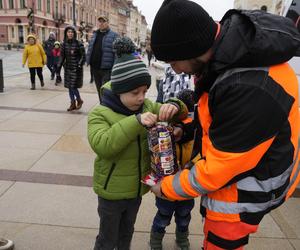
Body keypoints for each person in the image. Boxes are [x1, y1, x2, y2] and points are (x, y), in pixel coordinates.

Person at [150, 1, 300, 249]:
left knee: (221, 239)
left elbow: (220, 169)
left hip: (248, 189)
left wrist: (166, 188)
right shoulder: (229, 55)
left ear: (192, 50)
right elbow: (219, 118)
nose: (174, 70)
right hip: (245, 168)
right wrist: (186, 130)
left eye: (174, 62)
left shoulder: (247, 84)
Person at [87, 37, 188, 250]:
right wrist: (136, 122)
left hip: (135, 191)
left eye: (144, 91)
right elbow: (104, 145)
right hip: (111, 193)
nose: (142, 98)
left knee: (126, 234)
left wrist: (174, 106)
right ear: (119, 90)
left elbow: (171, 109)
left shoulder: (147, 105)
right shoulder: (100, 114)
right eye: (135, 93)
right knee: (107, 239)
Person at [150, 89, 195, 250]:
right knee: (163, 216)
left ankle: (182, 238)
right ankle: (155, 240)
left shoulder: (193, 134)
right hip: (166, 186)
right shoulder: (163, 134)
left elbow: (192, 128)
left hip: (186, 186)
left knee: (184, 217)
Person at [86, 15, 118, 100]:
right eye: (100, 21)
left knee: (105, 90)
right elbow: (90, 48)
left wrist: (114, 68)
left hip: (106, 69)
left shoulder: (114, 35)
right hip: (95, 67)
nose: (101, 23)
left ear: (108, 23)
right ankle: (102, 105)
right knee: (99, 89)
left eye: (103, 21)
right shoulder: (95, 34)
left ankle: (106, 106)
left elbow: (116, 54)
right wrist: (88, 60)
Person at [58, 26, 85, 111]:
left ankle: (79, 100)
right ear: (66, 33)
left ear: (74, 34)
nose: (70, 33)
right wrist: (58, 66)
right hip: (68, 68)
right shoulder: (63, 44)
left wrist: (79, 64)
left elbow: (83, 56)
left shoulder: (78, 43)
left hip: (76, 68)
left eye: (72, 32)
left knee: (73, 86)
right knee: (69, 87)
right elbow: (62, 57)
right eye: (69, 32)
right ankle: (72, 103)